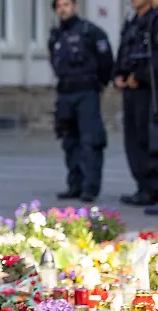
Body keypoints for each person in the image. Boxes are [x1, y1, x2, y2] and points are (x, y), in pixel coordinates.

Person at [50, 0, 114, 203]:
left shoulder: (90, 32)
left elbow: (106, 61)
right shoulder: (56, 35)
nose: (63, 9)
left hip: (87, 91)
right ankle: (74, 184)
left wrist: (100, 84)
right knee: (69, 141)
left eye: (67, 4)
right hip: (65, 93)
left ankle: (90, 187)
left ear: (74, 6)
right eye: (59, 6)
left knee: (90, 141)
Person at [117, 0, 158, 208]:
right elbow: (123, 51)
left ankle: (153, 189)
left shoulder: (154, 20)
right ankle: (143, 188)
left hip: (147, 91)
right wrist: (118, 75)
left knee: (148, 138)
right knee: (132, 140)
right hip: (129, 90)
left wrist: (139, 76)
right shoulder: (131, 23)